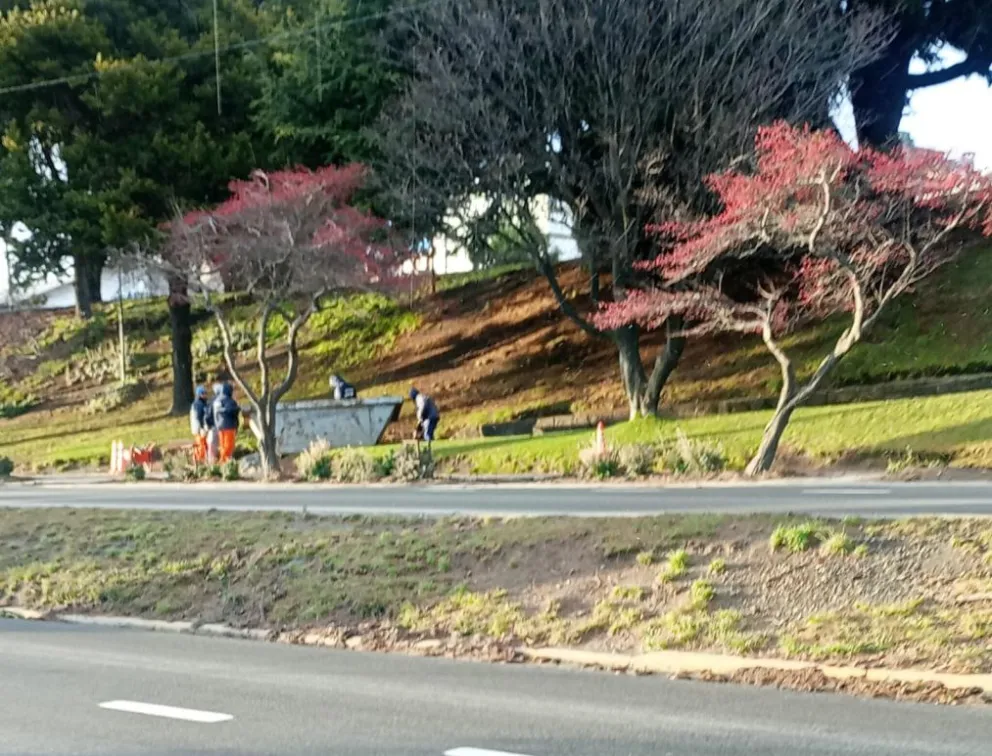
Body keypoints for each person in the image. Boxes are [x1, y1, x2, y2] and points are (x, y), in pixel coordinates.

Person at [213, 382, 241, 463]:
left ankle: (223, 460)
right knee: (229, 445)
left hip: (219, 426)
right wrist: (238, 408)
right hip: (229, 426)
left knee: (222, 445)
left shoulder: (217, 400)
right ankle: (224, 461)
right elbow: (230, 411)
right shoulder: (229, 401)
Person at [189, 386, 211, 463]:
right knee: (201, 445)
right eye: (203, 393)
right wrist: (202, 427)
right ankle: (199, 460)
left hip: (201, 427)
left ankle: (203, 458)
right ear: (199, 394)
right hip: (198, 428)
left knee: (204, 444)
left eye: (205, 393)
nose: (205, 395)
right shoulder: (198, 404)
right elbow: (198, 417)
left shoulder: (203, 403)